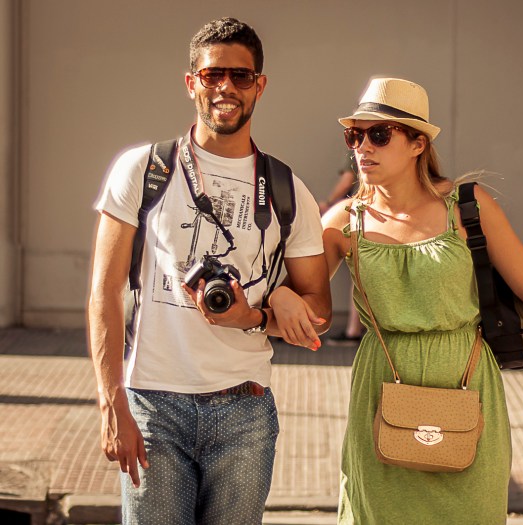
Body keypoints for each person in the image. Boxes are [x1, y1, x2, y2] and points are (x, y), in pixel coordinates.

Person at [87, 18, 331, 525]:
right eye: (212, 74)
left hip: (244, 409)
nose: (226, 87)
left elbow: (319, 314)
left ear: (259, 85)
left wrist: (260, 312)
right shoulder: (144, 169)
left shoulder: (287, 189)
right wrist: (113, 404)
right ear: (191, 82)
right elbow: (105, 292)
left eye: (241, 76)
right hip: (153, 403)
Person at [322, 77, 523, 523]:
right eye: (355, 135)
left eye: (379, 134)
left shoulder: (468, 207)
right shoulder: (342, 221)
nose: (363, 146)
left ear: (418, 143)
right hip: (381, 388)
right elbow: (304, 302)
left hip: (467, 380)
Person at [319, 155, 365, 346]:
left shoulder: (360, 144)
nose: (364, 145)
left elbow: (347, 180)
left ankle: (353, 330)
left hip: (362, 212)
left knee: (362, 273)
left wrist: (329, 203)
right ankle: (354, 329)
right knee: (363, 273)